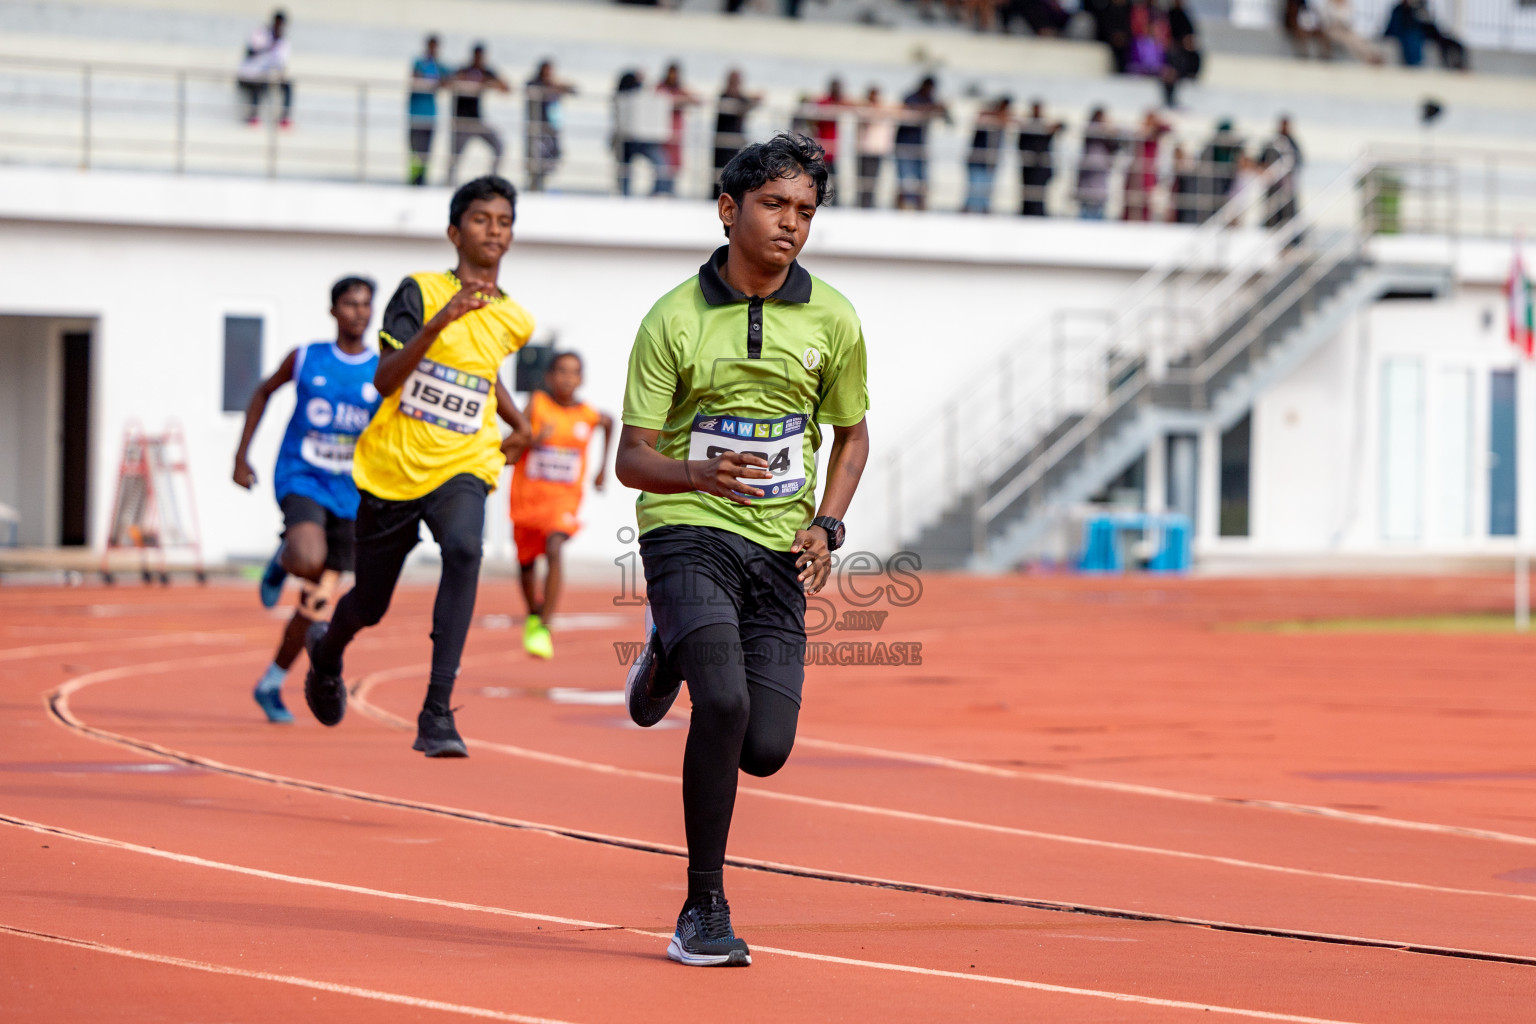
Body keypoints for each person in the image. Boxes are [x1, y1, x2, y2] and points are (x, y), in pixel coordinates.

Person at [617, 132, 869, 966]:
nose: (790, 224)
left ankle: (667, 655)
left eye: (804, 210)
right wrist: (696, 472)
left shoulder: (833, 318)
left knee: (764, 747)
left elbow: (852, 437)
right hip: (687, 529)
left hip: (777, 551)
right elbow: (632, 460)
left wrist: (826, 526)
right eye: (773, 205)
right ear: (729, 210)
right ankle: (703, 905)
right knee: (720, 705)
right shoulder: (673, 319)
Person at [303, 176, 535, 757]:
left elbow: (480, 371)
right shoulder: (420, 292)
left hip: (464, 461)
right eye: (482, 219)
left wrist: (519, 422)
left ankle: (436, 712)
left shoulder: (514, 320)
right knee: (370, 604)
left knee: (464, 549)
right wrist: (439, 321)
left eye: (504, 221)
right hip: (393, 467)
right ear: (456, 231)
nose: (494, 230)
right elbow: (384, 379)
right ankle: (327, 652)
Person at [233, 277, 381, 724]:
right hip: (303, 477)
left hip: (352, 497)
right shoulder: (306, 358)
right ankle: (287, 557)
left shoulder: (383, 369)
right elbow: (262, 392)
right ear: (333, 310)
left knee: (315, 606)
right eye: (350, 304)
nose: (359, 312)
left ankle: (272, 682)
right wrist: (241, 456)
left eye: (365, 305)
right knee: (306, 555)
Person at [509, 353, 613, 659]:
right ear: (550, 377)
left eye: (574, 372)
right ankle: (533, 612)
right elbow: (514, 440)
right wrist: (532, 438)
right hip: (528, 498)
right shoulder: (537, 404)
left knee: (555, 546)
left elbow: (610, 423)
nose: (568, 378)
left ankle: (545, 625)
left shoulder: (587, 414)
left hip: (564, 500)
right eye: (562, 372)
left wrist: (603, 468)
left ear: (581, 379)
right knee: (526, 564)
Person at [448, 44, 510, 185]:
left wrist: (488, 83)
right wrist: (465, 81)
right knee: (455, 156)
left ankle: (493, 179)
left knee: (499, 145)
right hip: (461, 121)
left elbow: (506, 87)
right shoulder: (463, 70)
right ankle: (449, 182)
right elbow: (448, 82)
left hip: (477, 121)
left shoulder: (485, 72)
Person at [614, 70, 674, 195]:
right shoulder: (625, 96)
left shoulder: (642, 95)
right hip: (630, 139)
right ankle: (628, 194)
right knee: (628, 168)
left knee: (661, 165)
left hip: (645, 138)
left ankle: (657, 193)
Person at [894, 76, 949, 211]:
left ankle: (920, 204)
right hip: (904, 143)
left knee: (922, 176)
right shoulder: (911, 97)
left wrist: (944, 109)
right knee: (904, 176)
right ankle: (904, 204)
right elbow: (911, 110)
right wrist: (933, 108)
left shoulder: (930, 100)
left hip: (920, 144)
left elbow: (948, 120)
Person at [525, 59, 576, 192]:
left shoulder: (554, 85)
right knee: (536, 157)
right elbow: (529, 88)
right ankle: (535, 183)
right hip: (538, 127)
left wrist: (557, 85)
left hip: (552, 126)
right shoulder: (535, 83)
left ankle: (542, 180)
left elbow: (574, 90)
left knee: (555, 154)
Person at [237, 9, 292, 127]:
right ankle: (253, 115)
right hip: (250, 72)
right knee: (259, 82)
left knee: (287, 84)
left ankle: (285, 117)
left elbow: (281, 63)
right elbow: (252, 51)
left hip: (268, 75)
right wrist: (270, 45)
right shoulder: (261, 33)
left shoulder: (283, 42)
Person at [713, 70, 762, 198]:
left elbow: (747, 102)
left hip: (734, 143)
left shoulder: (740, 98)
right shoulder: (725, 96)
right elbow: (737, 103)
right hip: (723, 143)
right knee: (720, 173)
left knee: (733, 172)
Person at [962, 96, 1012, 214]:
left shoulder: (1002, 119)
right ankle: (969, 210)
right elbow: (980, 117)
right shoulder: (986, 116)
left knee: (987, 188)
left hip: (991, 160)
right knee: (975, 187)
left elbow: (1007, 121)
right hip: (977, 158)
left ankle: (984, 210)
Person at [658, 63, 702, 193]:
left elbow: (698, 100)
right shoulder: (661, 88)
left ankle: (669, 193)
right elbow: (661, 100)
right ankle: (660, 192)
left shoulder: (680, 90)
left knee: (674, 167)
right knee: (661, 166)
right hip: (662, 134)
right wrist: (682, 100)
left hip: (677, 134)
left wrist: (686, 98)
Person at [408, 36, 446, 186]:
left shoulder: (439, 66)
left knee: (426, 151)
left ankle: (422, 179)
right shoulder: (419, 63)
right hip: (416, 113)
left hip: (431, 115)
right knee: (415, 149)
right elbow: (416, 77)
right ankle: (413, 179)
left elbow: (449, 78)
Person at [1122, 110, 1169, 221]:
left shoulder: (1156, 133)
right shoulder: (1140, 133)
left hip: (1149, 172)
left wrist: (1155, 125)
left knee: (1146, 203)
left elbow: (1168, 128)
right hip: (1137, 171)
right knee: (1132, 202)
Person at [1016, 101, 1061, 216]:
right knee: (1028, 192)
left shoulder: (1044, 126)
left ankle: (1038, 213)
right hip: (1030, 165)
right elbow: (1021, 145)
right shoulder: (1027, 126)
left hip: (1041, 166)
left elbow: (1061, 126)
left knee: (1040, 193)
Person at [854, 85, 895, 209]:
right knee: (862, 179)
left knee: (873, 180)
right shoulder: (864, 108)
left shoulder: (883, 108)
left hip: (877, 149)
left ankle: (868, 203)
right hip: (864, 149)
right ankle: (862, 203)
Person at [1075, 107, 1120, 219]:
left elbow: (1116, 144)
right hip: (1090, 168)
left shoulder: (1107, 132)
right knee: (1087, 197)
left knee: (1099, 198)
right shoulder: (1092, 129)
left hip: (1100, 169)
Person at [1261, 116, 1303, 228]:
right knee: (1272, 212)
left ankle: (1290, 240)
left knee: (1288, 212)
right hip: (1273, 184)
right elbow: (1263, 160)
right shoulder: (1272, 142)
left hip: (1286, 184)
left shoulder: (1292, 144)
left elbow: (1298, 161)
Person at [1198, 118, 1243, 222]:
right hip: (1213, 180)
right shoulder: (1212, 146)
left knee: (1226, 201)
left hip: (1228, 179)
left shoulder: (1233, 147)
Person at [811, 78, 847, 199]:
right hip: (822, 146)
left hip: (833, 148)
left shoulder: (839, 102)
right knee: (819, 176)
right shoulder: (824, 102)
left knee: (834, 177)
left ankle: (836, 200)